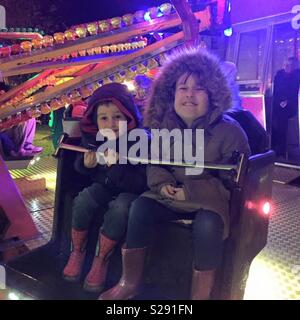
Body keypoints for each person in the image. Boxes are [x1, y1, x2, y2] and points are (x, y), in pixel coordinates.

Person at [99, 48, 251, 300]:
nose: (190, 95)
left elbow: (233, 182)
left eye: (199, 88)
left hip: (207, 201)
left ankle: (200, 295)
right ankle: (130, 282)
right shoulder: (163, 127)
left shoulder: (229, 133)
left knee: (208, 225)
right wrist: (162, 185)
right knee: (140, 208)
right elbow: (155, 164)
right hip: (169, 196)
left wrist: (190, 191)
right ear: (171, 95)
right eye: (183, 88)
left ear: (212, 94)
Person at [62, 83, 148, 292]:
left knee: (119, 209)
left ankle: (101, 259)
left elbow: (141, 182)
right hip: (103, 186)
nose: (112, 124)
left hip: (131, 192)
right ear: (96, 121)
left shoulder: (141, 140)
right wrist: (86, 164)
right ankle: (77, 251)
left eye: (118, 117)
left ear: (129, 117)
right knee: (83, 200)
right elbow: (81, 166)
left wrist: (116, 166)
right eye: (104, 118)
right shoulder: (94, 139)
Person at [271, 57, 300, 158]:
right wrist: (280, 101)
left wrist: (287, 101)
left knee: (281, 119)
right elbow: (276, 91)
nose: (287, 67)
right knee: (274, 117)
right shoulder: (279, 75)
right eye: (286, 65)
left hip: (292, 104)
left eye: (290, 65)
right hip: (278, 104)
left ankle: (281, 151)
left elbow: (294, 91)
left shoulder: (297, 75)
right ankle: (275, 148)